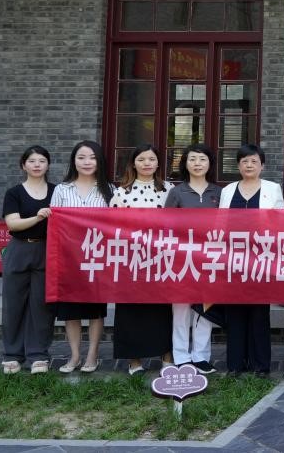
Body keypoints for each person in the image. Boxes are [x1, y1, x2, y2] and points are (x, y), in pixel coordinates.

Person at [44, 140, 112, 375]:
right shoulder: (62, 190)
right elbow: (54, 225)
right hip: (69, 259)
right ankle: (74, 355)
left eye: (92, 157)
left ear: (99, 161)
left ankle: (92, 354)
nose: (87, 162)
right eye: (81, 157)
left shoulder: (109, 190)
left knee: (96, 310)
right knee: (70, 310)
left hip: (97, 258)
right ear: (74, 161)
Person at [218, 144, 284, 378]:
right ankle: (235, 365)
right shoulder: (228, 190)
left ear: (262, 166)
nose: (249, 165)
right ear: (238, 165)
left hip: (261, 260)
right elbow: (220, 224)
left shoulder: (273, 189)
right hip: (233, 259)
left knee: (259, 312)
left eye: (254, 161)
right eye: (244, 161)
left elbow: (280, 223)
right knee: (235, 312)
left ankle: (261, 366)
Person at [109, 143, 175, 376]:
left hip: (161, 258)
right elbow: (112, 227)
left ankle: (166, 356)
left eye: (151, 159)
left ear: (158, 163)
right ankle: (134, 360)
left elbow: (178, 222)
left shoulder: (169, 189)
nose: (147, 163)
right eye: (141, 159)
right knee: (131, 309)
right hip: (131, 259)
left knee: (162, 309)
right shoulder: (121, 192)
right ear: (133, 164)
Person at [163, 144, 222, 375]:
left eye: (202, 159)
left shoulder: (219, 193)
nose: (198, 164)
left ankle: (201, 356)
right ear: (185, 164)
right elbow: (167, 226)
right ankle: (181, 356)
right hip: (182, 257)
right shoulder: (177, 192)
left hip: (210, 258)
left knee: (204, 309)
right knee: (181, 308)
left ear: (210, 164)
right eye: (193, 159)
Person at [0, 145, 56, 375]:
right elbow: (12, 224)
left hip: (48, 250)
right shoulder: (14, 193)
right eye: (32, 161)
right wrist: (38, 217)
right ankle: (12, 355)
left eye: (41, 161)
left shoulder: (57, 191)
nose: (37, 165)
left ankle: (38, 355)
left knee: (42, 306)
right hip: (19, 249)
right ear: (23, 165)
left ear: (48, 165)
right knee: (13, 304)